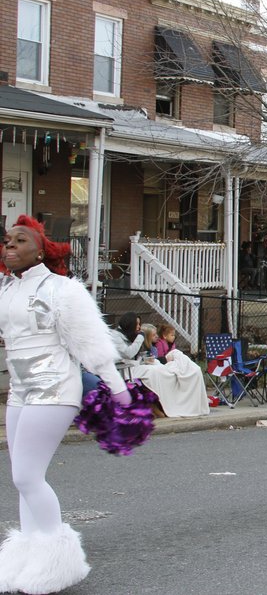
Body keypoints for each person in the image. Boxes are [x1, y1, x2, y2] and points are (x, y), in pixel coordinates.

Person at [0, 215, 132, 594]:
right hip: (21, 390)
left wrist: (118, 389)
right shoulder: (7, 288)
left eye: (20, 240)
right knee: (23, 479)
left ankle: (59, 560)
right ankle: (29, 556)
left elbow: (91, 344)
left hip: (55, 388)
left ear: (41, 249)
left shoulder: (64, 290)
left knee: (27, 476)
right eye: (8, 240)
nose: (11, 245)